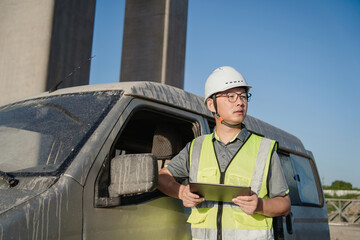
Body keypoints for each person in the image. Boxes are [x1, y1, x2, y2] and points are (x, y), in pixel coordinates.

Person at [158, 66, 291, 240]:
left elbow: (284, 204)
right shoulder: (196, 147)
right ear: (211, 104)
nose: (240, 102)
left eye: (243, 96)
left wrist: (259, 204)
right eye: (230, 96)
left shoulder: (264, 149)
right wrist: (181, 192)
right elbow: (162, 177)